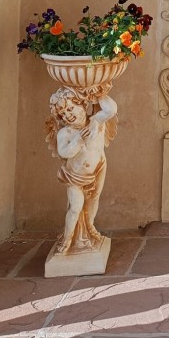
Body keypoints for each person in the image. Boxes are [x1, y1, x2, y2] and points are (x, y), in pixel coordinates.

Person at [45, 87, 117, 255]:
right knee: (76, 207)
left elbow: (111, 110)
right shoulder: (66, 132)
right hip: (75, 176)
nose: (67, 115)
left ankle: (90, 226)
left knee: (94, 199)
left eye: (70, 108)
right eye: (62, 114)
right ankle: (67, 239)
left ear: (83, 104)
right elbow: (64, 152)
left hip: (98, 168)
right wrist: (78, 140)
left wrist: (99, 93)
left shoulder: (95, 121)